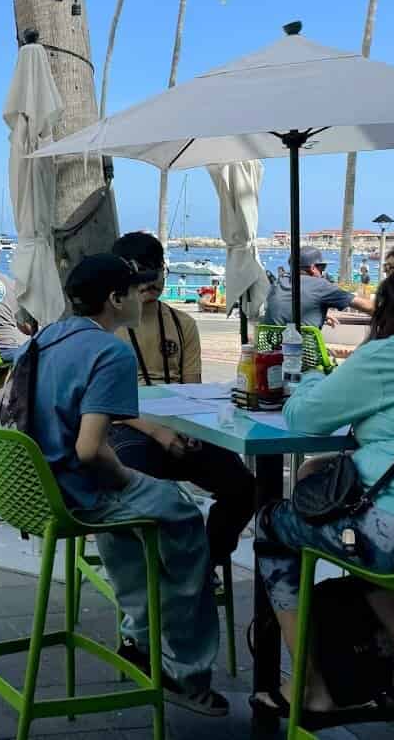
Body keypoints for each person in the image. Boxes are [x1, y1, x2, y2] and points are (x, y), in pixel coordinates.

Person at [17, 253, 226, 716]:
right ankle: (185, 669)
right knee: (184, 515)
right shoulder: (111, 350)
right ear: (116, 298)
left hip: (33, 488)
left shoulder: (47, 336)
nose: (143, 298)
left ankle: (140, 632)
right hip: (76, 489)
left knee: (135, 516)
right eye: (135, 291)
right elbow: (91, 450)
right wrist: (130, 479)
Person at [255, 271, 394, 719]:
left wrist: (315, 374)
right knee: (352, 531)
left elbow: (302, 417)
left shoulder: (387, 356)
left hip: (390, 532)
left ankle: (309, 686)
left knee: (271, 525)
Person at [108, 232, 256, 565]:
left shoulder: (182, 323)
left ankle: (205, 564)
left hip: (178, 422)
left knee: (244, 488)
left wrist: (192, 429)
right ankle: (153, 569)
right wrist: (157, 431)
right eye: (140, 272)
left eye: (156, 270)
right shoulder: (108, 326)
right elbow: (105, 400)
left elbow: (194, 389)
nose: (151, 281)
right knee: (144, 489)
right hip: (125, 425)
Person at [264, 246, 373, 328]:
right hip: (305, 353)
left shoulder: (278, 283)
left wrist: (321, 315)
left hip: (271, 352)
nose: (323, 272)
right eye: (322, 267)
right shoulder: (321, 285)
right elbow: (367, 306)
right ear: (312, 268)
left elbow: (284, 307)